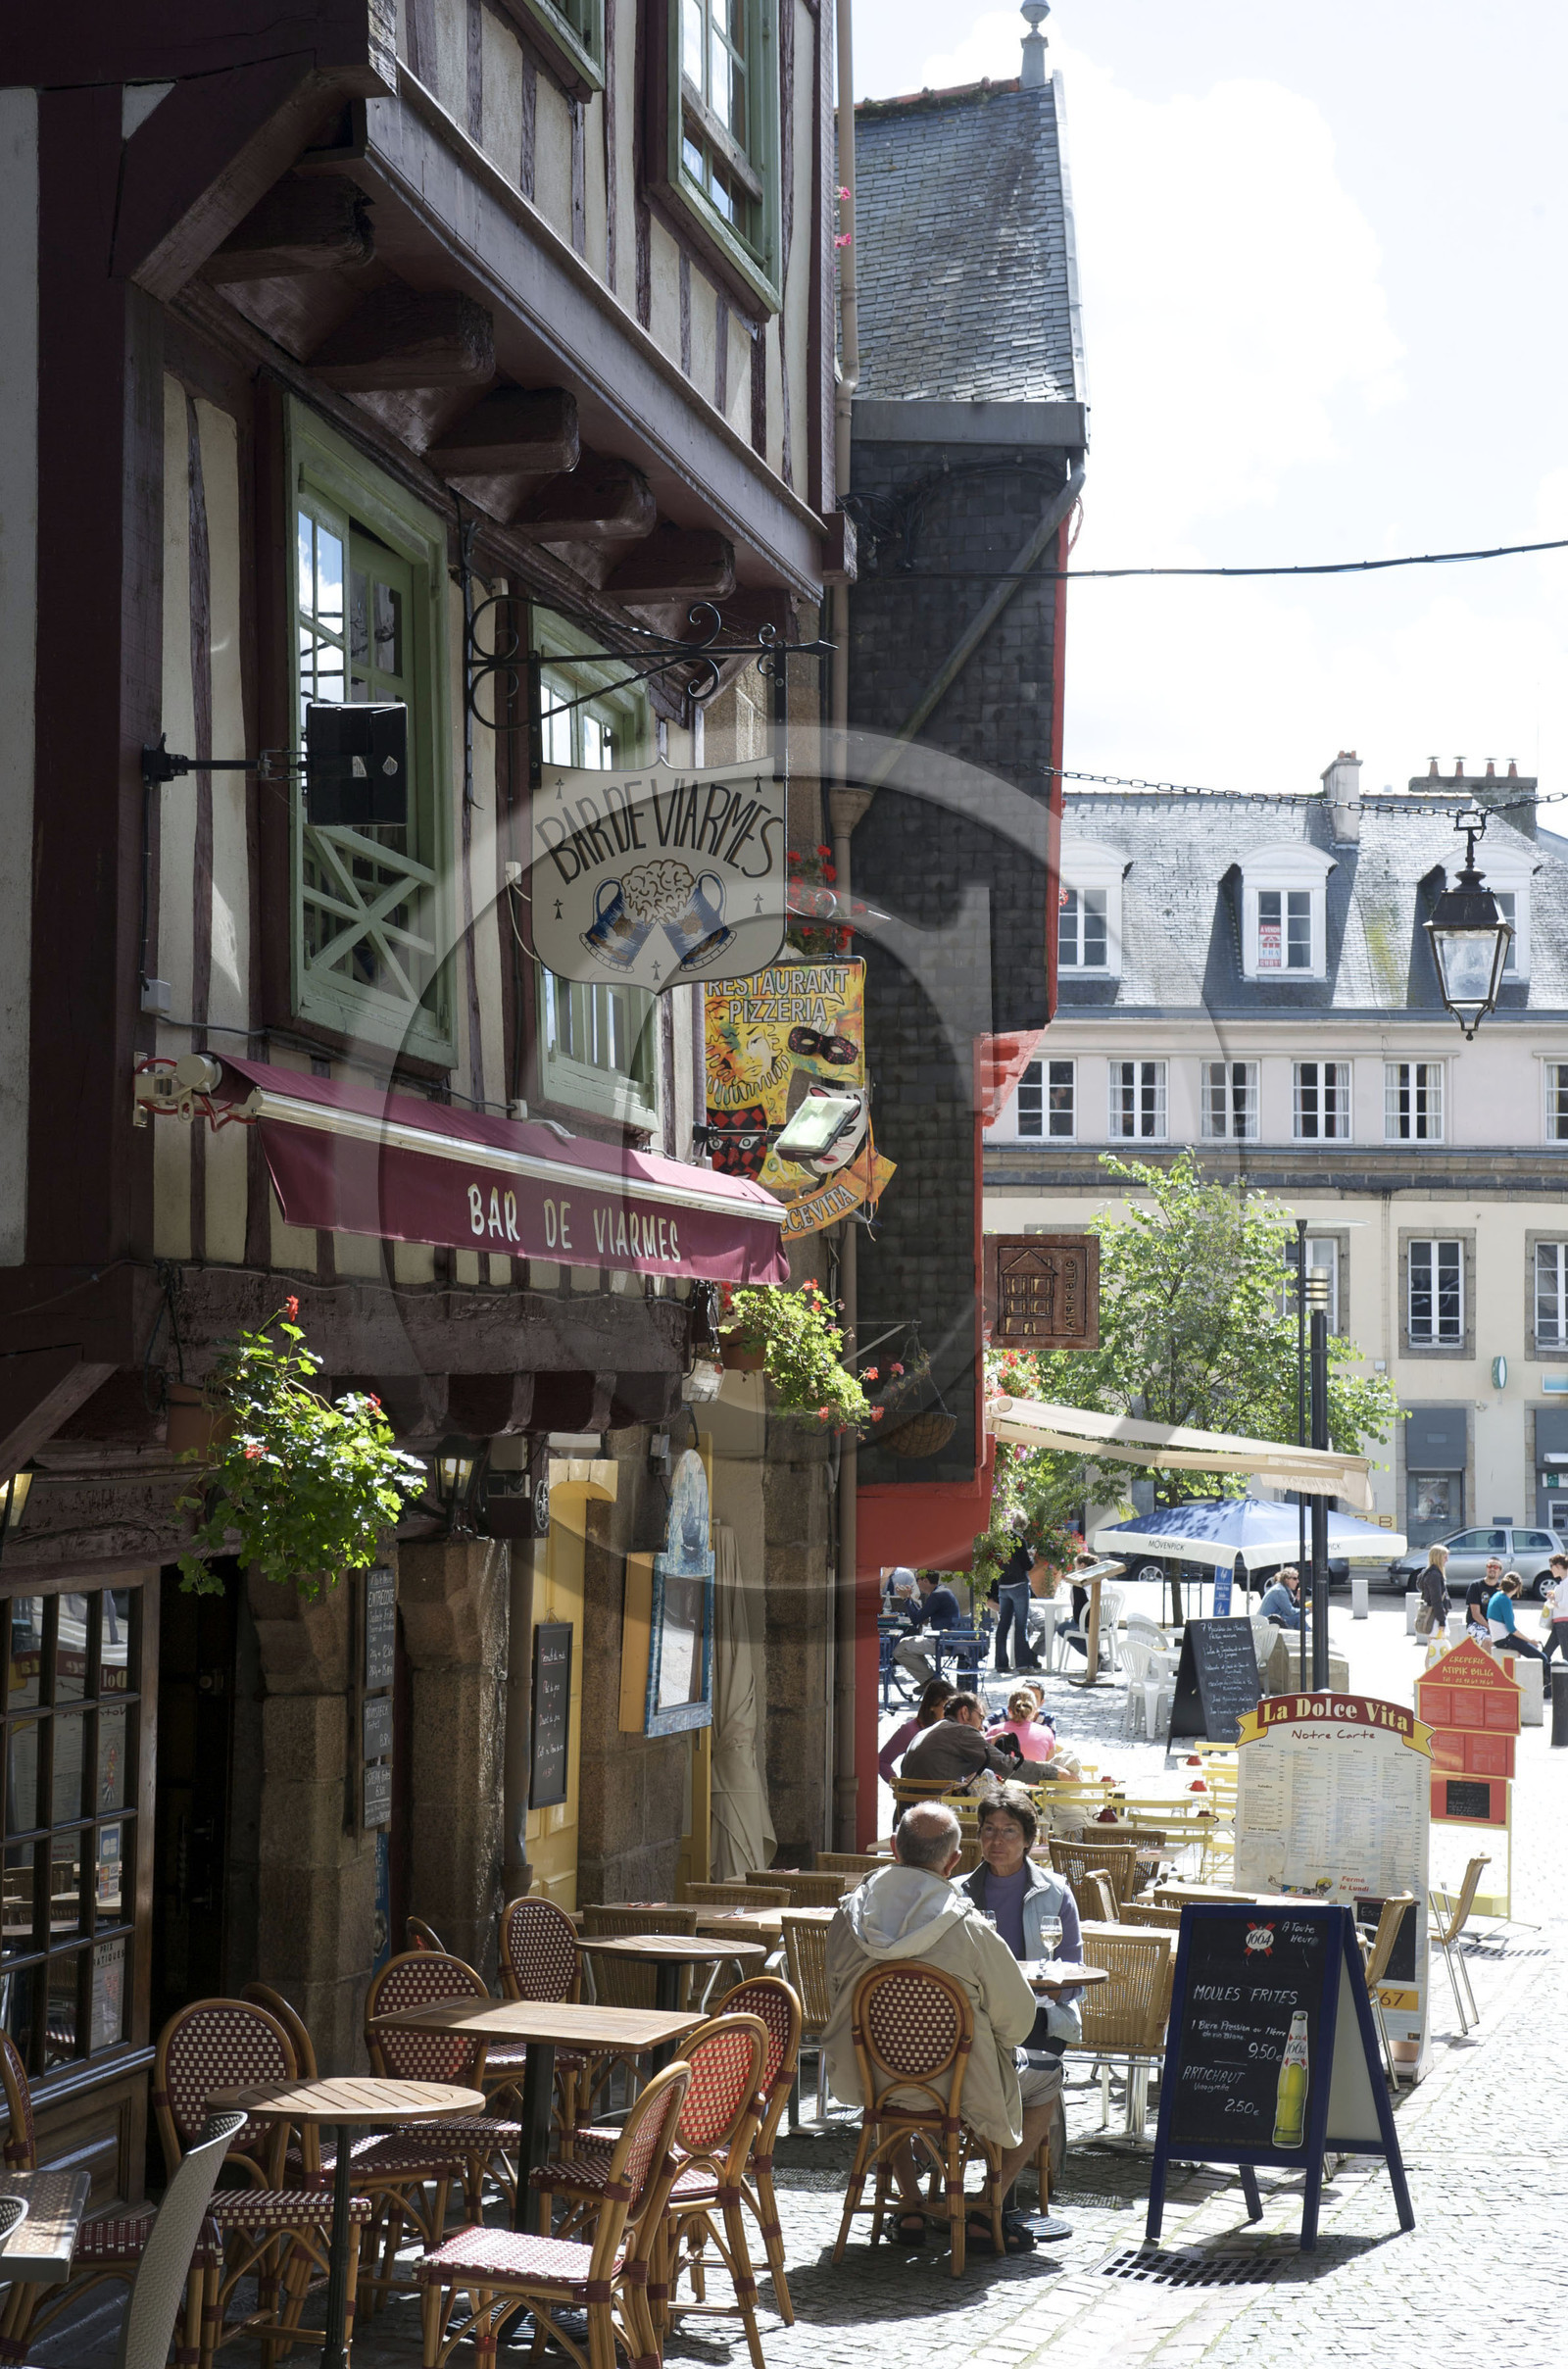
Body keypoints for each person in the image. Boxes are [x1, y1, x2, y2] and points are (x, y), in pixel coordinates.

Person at [822, 1800, 1058, 2253]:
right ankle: (988, 2208)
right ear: (952, 1862)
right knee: (1047, 2079)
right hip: (958, 2081)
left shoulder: (848, 1915)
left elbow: (836, 1995)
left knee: (885, 2065)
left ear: (894, 1848)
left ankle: (909, 2206)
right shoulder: (967, 1927)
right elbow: (1017, 2020)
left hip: (873, 2077)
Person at [956, 1786, 1084, 2054]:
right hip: (973, 2017)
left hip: (1037, 2017)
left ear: (1028, 1839)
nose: (997, 1840)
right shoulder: (957, 1893)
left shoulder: (1056, 1892)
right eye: (989, 1829)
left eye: (1009, 1830)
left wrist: (1044, 1994)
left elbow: (1075, 1974)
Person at [901, 1691, 1019, 1785]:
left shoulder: (927, 1732)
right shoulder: (962, 1732)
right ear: (965, 1712)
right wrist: (1038, 1770)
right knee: (987, 1779)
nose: (982, 1727)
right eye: (981, 1717)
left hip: (906, 1809)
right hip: (939, 1808)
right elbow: (1005, 1765)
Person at [892, 1569, 961, 1691]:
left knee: (900, 1650)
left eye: (917, 1580)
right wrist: (908, 1598)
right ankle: (930, 1679)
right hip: (946, 1640)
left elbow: (916, 1619)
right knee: (906, 1644)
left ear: (925, 1580)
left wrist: (906, 1599)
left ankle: (930, 1681)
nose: (916, 1583)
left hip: (943, 1643)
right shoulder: (941, 1591)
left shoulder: (937, 1595)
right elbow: (920, 1616)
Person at [877, 1679, 955, 1784]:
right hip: (918, 1796)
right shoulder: (910, 1730)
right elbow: (882, 1761)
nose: (951, 1711)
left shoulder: (955, 1728)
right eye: (946, 1707)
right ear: (932, 1706)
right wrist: (899, 1787)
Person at [992, 1524, 1044, 1674]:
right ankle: (1023, 1665)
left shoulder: (999, 1539)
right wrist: (1031, 1557)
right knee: (1021, 1625)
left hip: (1003, 1586)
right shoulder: (1019, 1538)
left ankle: (1001, 1663)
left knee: (1003, 1625)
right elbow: (1026, 1565)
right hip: (1019, 1585)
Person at [1487, 1570, 1546, 1661]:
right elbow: (1511, 1629)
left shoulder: (1497, 1596)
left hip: (1499, 1638)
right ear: (1517, 1587)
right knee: (1542, 1658)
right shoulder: (1505, 1600)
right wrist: (1529, 1641)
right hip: (1505, 1639)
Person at [992, 1689, 1057, 1765]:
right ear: (1034, 1710)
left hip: (1003, 1776)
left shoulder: (994, 1731)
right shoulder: (1047, 1733)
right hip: (1035, 1776)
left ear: (1009, 1710)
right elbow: (1050, 1765)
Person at [1541, 1554, 1568, 1680]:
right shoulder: (1563, 1582)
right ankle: (1548, 1682)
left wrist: (1552, 1601)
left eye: (1551, 1566)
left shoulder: (1566, 1582)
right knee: (1546, 1652)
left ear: (1558, 1566)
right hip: (1559, 1624)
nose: (1550, 1569)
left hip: (1564, 1623)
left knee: (1565, 1656)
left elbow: (1564, 1605)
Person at [1415, 1545, 1450, 1637]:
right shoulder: (1434, 1575)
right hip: (1435, 1617)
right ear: (1438, 1558)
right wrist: (1442, 1621)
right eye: (1445, 1557)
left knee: (1433, 1646)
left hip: (1432, 1614)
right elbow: (1436, 1599)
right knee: (1437, 1646)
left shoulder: (1427, 1573)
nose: (1447, 1560)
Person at [1466, 1556, 1505, 1633]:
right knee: (1487, 1640)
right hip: (1476, 1624)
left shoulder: (1502, 1589)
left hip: (1495, 1625)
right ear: (1486, 1569)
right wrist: (1489, 1628)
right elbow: (1476, 1614)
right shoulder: (1475, 1586)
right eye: (1489, 1566)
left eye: (1496, 1567)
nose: (1492, 1569)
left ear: (1500, 1571)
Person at [1258, 1566, 1303, 1630]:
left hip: (1272, 1621)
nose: (1297, 1581)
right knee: (1299, 1618)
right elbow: (1290, 1611)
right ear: (1286, 1580)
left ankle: (1306, 1635)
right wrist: (1307, 1610)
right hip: (1267, 1624)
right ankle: (1307, 1637)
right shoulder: (1279, 1591)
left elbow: (1290, 1608)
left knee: (1298, 1617)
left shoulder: (1284, 1589)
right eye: (1295, 1578)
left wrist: (1297, 1599)